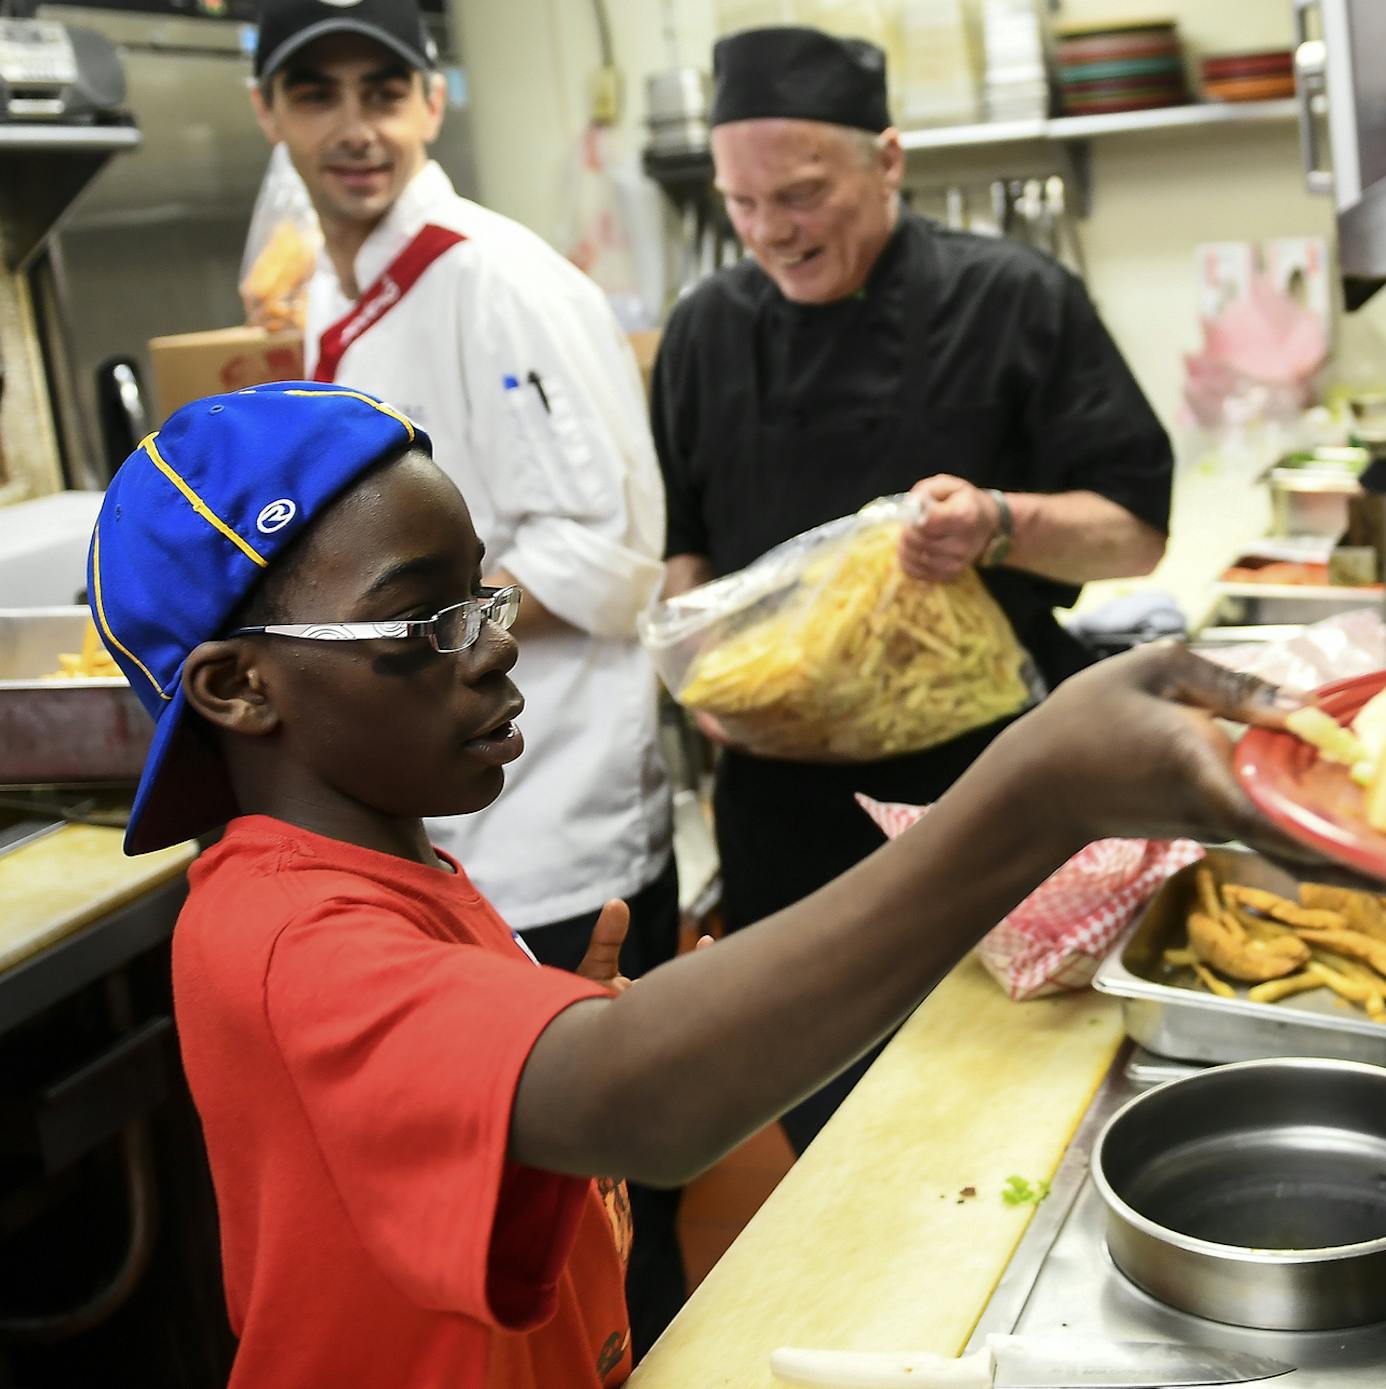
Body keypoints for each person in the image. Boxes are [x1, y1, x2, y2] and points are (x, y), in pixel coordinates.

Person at [90, 384, 1294, 1388]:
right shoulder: (281, 934)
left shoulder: (391, 867)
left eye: (484, 596)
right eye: (425, 620)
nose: (494, 643)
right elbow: (638, 1107)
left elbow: (550, 1116)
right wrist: (1037, 796)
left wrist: (552, 1047)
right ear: (239, 687)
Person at [245, 0, 686, 1342]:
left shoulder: (494, 281)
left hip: (549, 813)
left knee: (609, 1211)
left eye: (384, 89)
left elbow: (600, 557)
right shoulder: (325, 295)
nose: (355, 125)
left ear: (435, 101)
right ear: (268, 112)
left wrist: (384, 638)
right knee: (510, 1232)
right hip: (443, 828)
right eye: (316, 93)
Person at [651, 26, 1175, 1147]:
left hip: (985, 802)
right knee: (824, 1125)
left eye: (800, 195)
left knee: (1003, 1120)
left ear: (888, 159)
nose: (770, 233)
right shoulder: (703, 333)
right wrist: (695, 664)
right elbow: (686, 549)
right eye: (742, 204)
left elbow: (1132, 534)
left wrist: (1000, 522)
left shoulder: (1017, 300)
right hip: (781, 819)